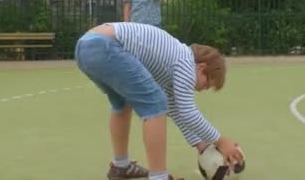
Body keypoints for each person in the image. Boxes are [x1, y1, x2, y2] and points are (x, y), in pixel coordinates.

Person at [74, 22, 244, 180]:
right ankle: (159, 177)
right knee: (156, 106)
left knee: (122, 104)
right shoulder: (185, 62)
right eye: (207, 84)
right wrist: (221, 141)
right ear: (201, 67)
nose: (201, 89)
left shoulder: (173, 65)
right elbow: (187, 111)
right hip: (107, 47)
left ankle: (121, 166)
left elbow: (177, 110)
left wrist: (202, 146)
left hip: (86, 47)